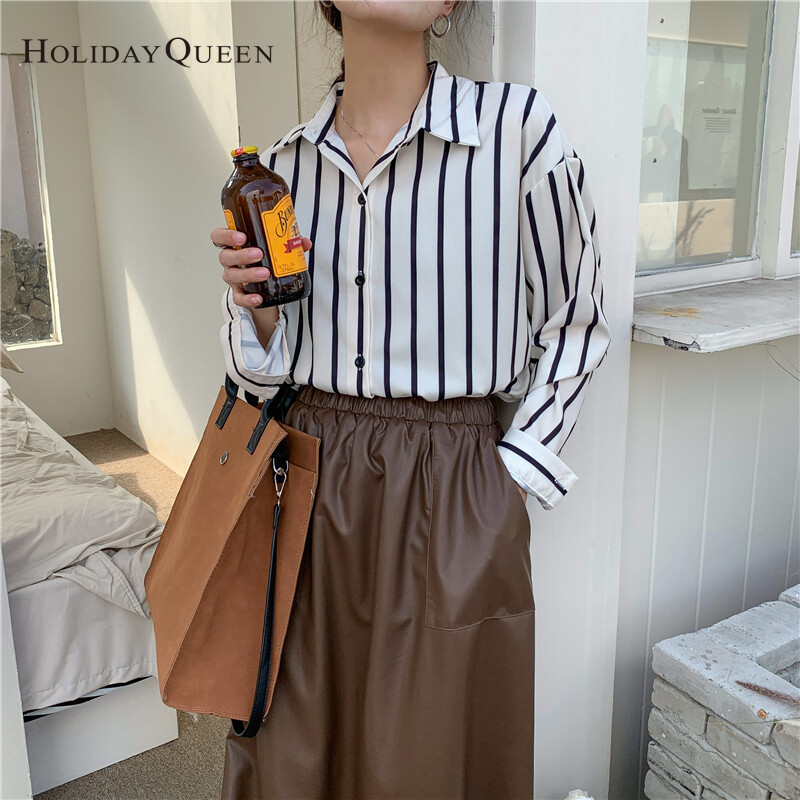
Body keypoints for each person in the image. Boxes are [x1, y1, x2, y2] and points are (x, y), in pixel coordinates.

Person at [212, 1, 611, 797]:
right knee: (295, 740)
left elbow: (577, 321)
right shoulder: (280, 170)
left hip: (452, 482)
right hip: (308, 474)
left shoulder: (516, 132)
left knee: (426, 754)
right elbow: (259, 384)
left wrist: (507, 483)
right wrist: (254, 311)